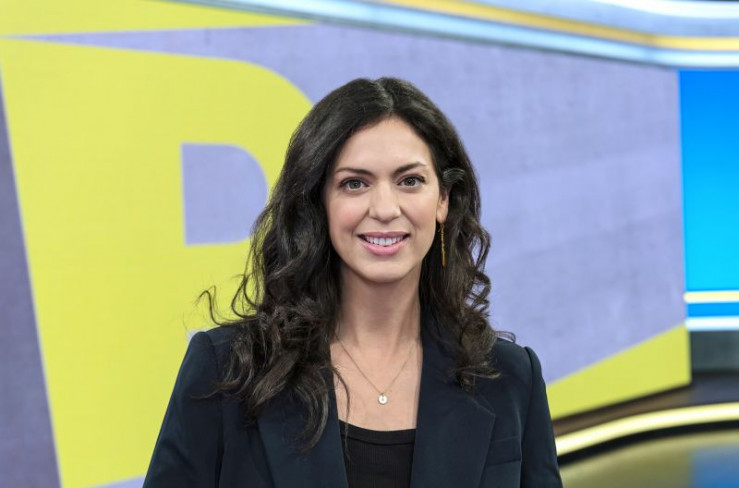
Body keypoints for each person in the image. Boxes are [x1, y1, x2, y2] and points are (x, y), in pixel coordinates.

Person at [143, 77, 562, 487]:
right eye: (354, 183)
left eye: (410, 181)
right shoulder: (228, 369)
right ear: (319, 202)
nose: (384, 208)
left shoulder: (511, 379)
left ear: (443, 200)